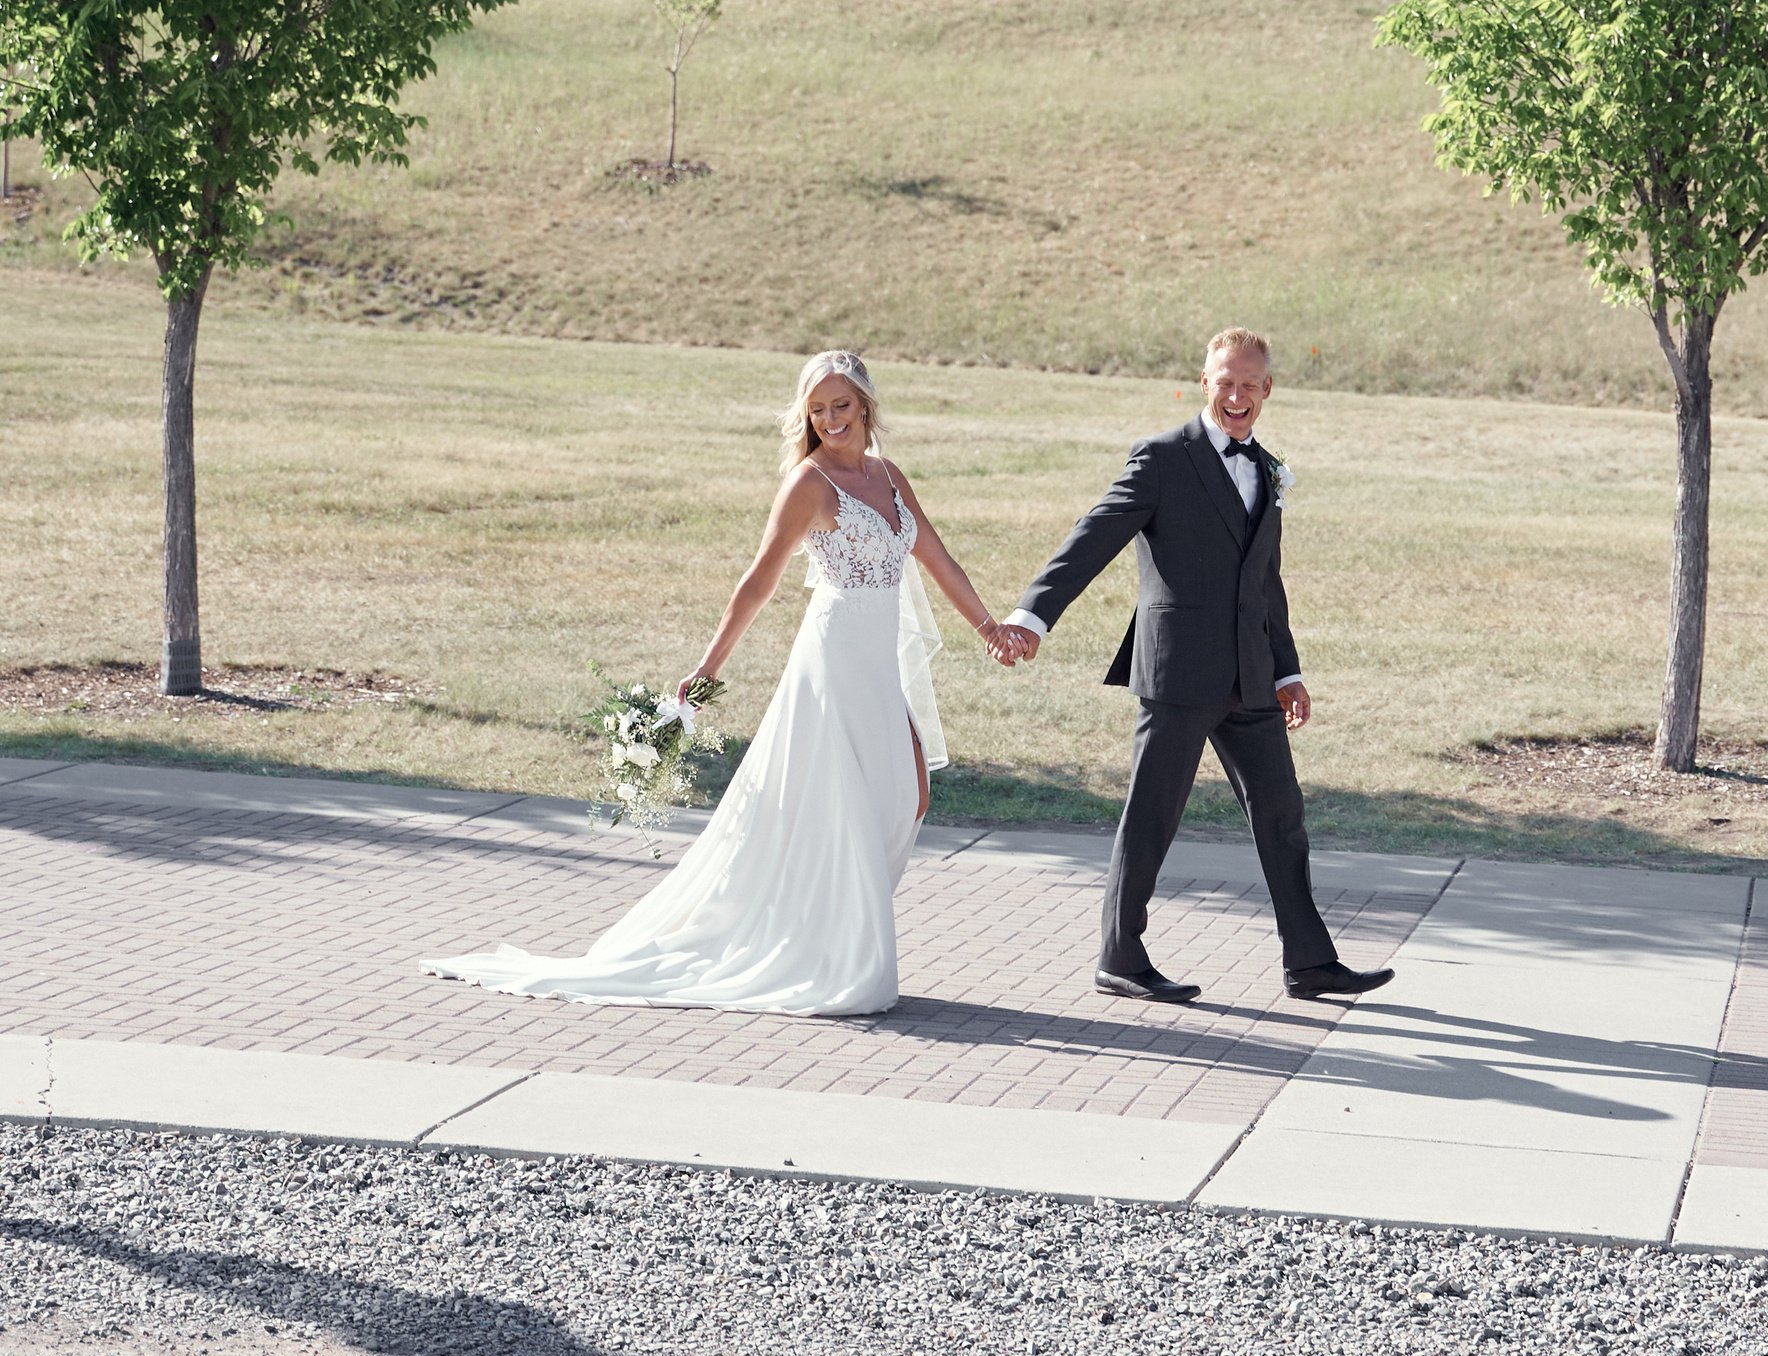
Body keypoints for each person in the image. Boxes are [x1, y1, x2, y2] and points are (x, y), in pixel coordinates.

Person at [422, 350, 1014, 1016]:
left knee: (908, 792)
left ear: (866, 404)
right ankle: (833, 952)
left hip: (878, 662)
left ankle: (829, 932)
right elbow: (758, 581)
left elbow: (936, 556)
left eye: (840, 405)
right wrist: (708, 667)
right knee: (844, 805)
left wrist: (991, 626)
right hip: (835, 658)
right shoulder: (810, 484)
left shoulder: (889, 476)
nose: (829, 420)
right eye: (817, 410)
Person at [995, 327, 1393, 1005]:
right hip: (1178, 671)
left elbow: (1266, 580)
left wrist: (1287, 669)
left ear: (1267, 389)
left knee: (1281, 814)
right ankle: (1120, 955)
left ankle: (1309, 961)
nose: (1236, 395)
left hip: (1251, 674)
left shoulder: (1266, 467)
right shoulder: (1161, 458)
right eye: (1224, 381)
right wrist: (1032, 616)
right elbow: (1092, 537)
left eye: (1249, 384)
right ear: (1203, 381)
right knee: (1152, 814)